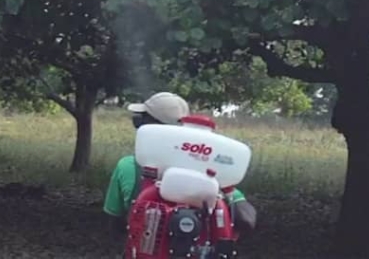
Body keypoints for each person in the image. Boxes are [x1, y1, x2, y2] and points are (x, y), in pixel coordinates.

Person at [103, 92, 256, 242]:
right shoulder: (210, 173)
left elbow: (116, 224)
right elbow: (246, 219)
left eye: (140, 121)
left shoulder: (127, 166)